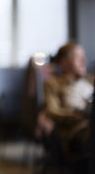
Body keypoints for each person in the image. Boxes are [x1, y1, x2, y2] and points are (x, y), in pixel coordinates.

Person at [44, 41, 94, 171]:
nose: (84, 60)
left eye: (83, 57)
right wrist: (74, 116)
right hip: (76, 132)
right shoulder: (54, 84)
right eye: (78, 57)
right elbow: (51, 111)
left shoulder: (90, 81)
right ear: (64, 63)